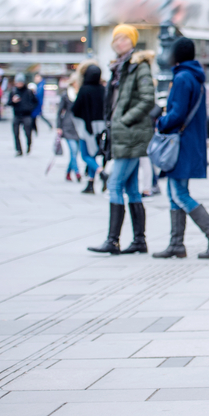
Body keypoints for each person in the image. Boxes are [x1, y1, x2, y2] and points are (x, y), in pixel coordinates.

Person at [153, 37, 209, 260]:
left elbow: (177, 114)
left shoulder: (182, 78)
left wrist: (160, 121)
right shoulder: (195, 77)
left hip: (181, 143)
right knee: (173, 193)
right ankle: (176, 244)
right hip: (190, 142)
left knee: (179, 193)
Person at [88, 24, 156, 255]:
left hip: (131, 134)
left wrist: (124, 120)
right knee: (132, 190)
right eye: (117, 39)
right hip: (123, 134)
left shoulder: (138, 66)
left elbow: (148, 99)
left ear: (133, 41)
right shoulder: (118, 68)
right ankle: (139, 241)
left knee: (115, 184)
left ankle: (113, 240)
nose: (120, 42)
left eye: (125, 38)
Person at [72, 62, 106, 194]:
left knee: (86, 155)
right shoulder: (102, 89)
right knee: (93, 154)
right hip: (100, 126)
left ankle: (101, 172)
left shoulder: (84, 89)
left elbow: (75, 108)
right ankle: (91, 183)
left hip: (87, 126)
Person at [56, 74, 83, 182]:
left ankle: (68, 172)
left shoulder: (81, 93)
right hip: (67, 126)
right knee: (73, 150)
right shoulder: (66, 95)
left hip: (79, 126)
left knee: (75, 153)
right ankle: (77, 172)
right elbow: (59, 112)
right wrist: (58, 126)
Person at [8, 73, 38, 156]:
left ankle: (29, 145)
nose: (19, 84)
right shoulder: (13, 91)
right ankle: (19, 150)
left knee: (28, 132)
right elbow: (8, 103)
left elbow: (36, 102)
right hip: (17, 115)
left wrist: (30, 108)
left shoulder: (28, 92)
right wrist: (13, 101)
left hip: (26, 115)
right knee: (16, 133)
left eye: (20, 82)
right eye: (17, 82)